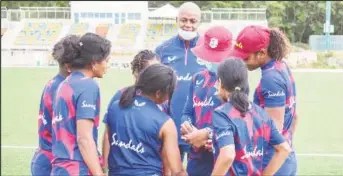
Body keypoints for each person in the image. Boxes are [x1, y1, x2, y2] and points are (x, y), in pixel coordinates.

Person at [229, 25, 298, 175]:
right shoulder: (282, 66)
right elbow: (296, 116)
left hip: (273, 160)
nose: (243, 62)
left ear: (261, 53)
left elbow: (273, 129)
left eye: (245, 57)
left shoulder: (270, 79)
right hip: (285, 157)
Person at [211, 58, 292, 176]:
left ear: (221, 83)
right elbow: (284, 149)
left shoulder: (222, 114)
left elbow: (227, 155)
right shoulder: (261, 113)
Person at [103, 64, 187, 176]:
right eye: (170, 93)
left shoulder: (115, 107)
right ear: (158, 93)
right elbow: (177, 170)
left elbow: (108, 139)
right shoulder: (165, 122)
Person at [51, 33, 111, 176]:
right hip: (77, 168)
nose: (107, 66)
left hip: (60, 167)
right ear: (94, 62)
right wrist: (99, 173)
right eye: (106, 60)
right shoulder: (88, 86)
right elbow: (84, 138)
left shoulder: (65, 82)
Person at [101, 49, 168, 173]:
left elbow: (167, 141)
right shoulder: (121, 95)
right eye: (151, 70)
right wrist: (105, 166)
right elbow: (107, 133)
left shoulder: (163, 99)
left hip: (152, 168)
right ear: (138, 73)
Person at [155, 2, 206, 160]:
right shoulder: (163, 49)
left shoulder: (207, 49)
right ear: (177, 20)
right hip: (168, 125)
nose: (188, 25)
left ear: (199, 22)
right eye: (184, 20)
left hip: (198, 128)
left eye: (193, 21)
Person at [179, 26, 233, 176]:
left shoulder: (234, 80)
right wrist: (189, 127)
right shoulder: (198, 78)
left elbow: (237, 119)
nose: (212, 61)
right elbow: (187, 112)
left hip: (221, 154)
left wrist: (207, 135)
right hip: (196, 157)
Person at [30, 34, 79, 176]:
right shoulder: (64, 90)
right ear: (69, 67)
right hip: (53, 164)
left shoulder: (53, 84)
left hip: (45, 159)